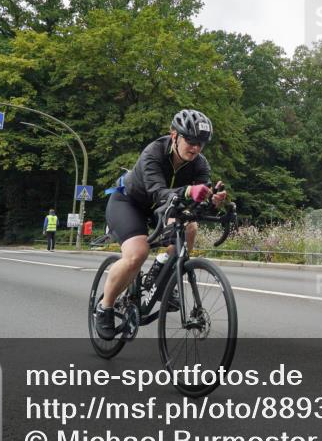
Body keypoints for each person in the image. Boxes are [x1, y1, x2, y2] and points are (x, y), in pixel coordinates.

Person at [94, 109, 227, 340]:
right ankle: (105, 307)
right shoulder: (153, 152)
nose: (195, 148)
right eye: (191, 141)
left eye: (201, 144)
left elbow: (196, 203)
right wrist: (188, 190)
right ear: (174, 135)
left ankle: (164, 270)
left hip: (165, 207)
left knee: (190, 227)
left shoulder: (200, 164)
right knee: (137, 254)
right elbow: (158, 193)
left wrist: (213, 202)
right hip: (130, 202)